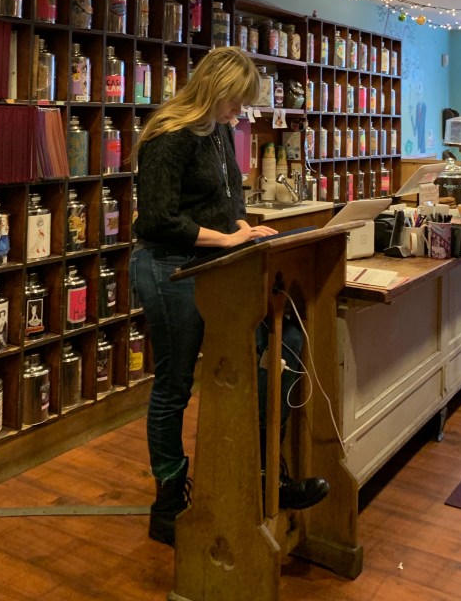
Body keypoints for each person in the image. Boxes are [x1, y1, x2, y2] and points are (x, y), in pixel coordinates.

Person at [131, 46, 329, 547]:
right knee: (174, 384)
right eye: (235, 100)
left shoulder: (217, 130)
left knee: (280, 347)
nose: (240, 111)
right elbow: (158, 219)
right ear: (213, 90)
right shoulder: (169, 135)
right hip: (169, 267)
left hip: (216, 262)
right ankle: (168, 502)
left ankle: (265, 473)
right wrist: (226, 239)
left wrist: (241, 227)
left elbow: (226, 197)